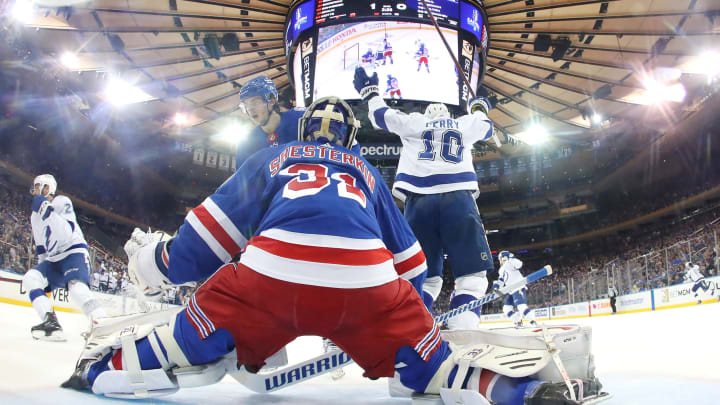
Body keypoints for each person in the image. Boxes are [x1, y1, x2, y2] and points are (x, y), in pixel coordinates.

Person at [62, 97, 605, 405]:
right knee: (434, 369)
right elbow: (413, 268)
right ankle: (517, 393)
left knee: (188, 337)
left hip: (267, 282)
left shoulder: (273, 158)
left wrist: (154, 262)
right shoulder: (367, 171)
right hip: (366, 288)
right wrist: (401, 323)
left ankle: (103, 370)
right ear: (349, 143)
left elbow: (199, 248)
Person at [354, 66, 494, 330]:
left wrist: (370, 92)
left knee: (425, 278)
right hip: (458, 198)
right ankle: (462, 328)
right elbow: (485, 128)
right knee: (473, 277)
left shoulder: (415, 121)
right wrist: (479, 106)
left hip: (418, 204)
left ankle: (410, 329)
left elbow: (382, 116)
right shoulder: (463, 124)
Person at [22, 174, 106, 341]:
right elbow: (42, 249)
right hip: (53, 260)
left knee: (76, 289)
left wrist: (46, 209)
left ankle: (102, 324)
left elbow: (65, 234)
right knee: (31, 278)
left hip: (73, 252)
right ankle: (50, 322)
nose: (35, 189)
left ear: (48, 188)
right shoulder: (34, 216)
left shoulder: (61, 201)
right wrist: (44, 280)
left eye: (39, 186)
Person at [236, 75, 306, 165]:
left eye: (255, 102)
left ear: (272, 101)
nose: (250, 109)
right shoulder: (246, 144)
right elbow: (242, 178)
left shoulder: (301, 118)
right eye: (246, 105)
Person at [494, 251, 537, 328]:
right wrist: (496, 286)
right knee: (506, 309)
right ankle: (518, 321)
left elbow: (519, 264)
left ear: (504, 258)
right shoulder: (501, 269)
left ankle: (533, 321)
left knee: (521, 306)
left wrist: (510, 258)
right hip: (511, 291)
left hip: (518, 287)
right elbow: (501, 280)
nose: (500, 260)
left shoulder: (509, 263)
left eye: (501, 258)